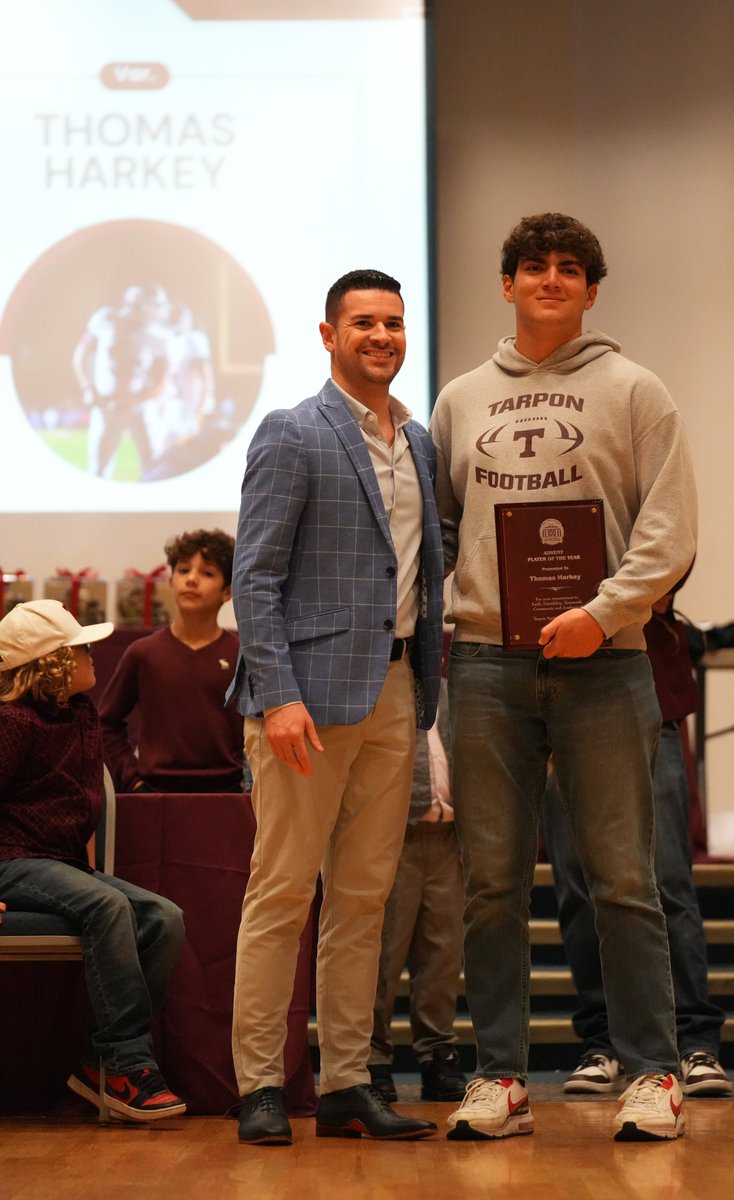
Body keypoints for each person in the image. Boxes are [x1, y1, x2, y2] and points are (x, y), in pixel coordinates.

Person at [430, 212, 698, 1142]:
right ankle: (499, 1080)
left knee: (623, 879)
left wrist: (602, 614)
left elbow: (667, 534)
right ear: (506, 285)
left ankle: (653, 1075)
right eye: (533, 266)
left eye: (569, 269)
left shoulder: (636, 389)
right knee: (491, 884)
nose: (550, 279)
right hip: (485, 668)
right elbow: (440, 534)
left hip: (606, 665)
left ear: (591, 291)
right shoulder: (459, 399)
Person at [228, 268, 444, 1146]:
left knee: (365, 898)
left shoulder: (421, 442)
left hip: (397, 691)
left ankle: (348, 1080)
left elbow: (427, 572)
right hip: (305, 704)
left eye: (393, 323)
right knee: (282, 892)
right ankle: (259, 1087)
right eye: (363, 323)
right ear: (327, 336)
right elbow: (255, 575)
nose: (381, 336)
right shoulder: (292, 432)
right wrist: (276, 696)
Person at [544, 580, 732, 1099]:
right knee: (577, 888)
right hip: (557, 695)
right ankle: (602, 1041)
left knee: (667, 878)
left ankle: (695, 1041)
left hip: (647, 689)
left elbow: (667, 571)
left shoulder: (648, 496)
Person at [0, 599, 186, 1121]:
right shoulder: (11, 722)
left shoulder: (80, 714)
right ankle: (127, 1063)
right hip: (13, 860)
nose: (93, 656)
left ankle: (98, 1065)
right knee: (107, 907)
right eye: (81, 649)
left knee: (165, 918)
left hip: (57, 864)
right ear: (52, 663)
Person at [368, 677, 468, 1103]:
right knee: (382, 952)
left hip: (448, 837)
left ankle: (437, 1051)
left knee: (443, 953)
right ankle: (371, 1057)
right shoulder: (376, 687)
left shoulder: (448, 689)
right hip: (394, 834)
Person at [99, 528, 244, 794]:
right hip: (155, 794)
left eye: (207, 573)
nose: (192, 580)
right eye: (184, 570)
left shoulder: (240, 654)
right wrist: (132, 779)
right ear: (171, 581)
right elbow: (106, 723)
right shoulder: (143, 653)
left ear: (228, 591)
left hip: (227, 796)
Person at [73, 284, 170, 480]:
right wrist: (88, 388)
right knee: (98, 470)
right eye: (152, 307)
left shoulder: (160, 336)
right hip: (106, 405)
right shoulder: (105, 319)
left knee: (155, 469)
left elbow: (162, 383)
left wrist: (133, 400)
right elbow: (80, 354)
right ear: (136, 305)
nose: (155, 313)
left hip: (142, 407)